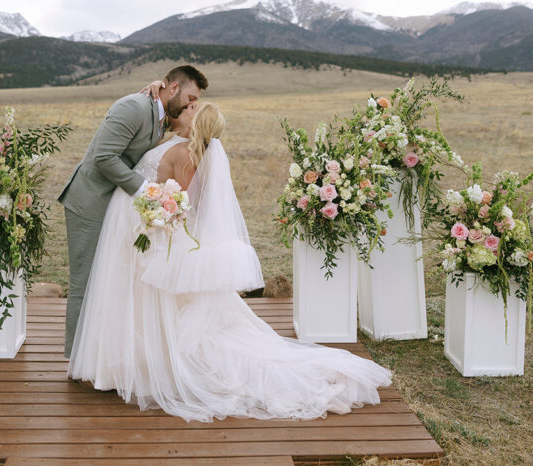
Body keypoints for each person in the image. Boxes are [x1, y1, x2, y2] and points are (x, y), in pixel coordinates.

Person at [68, 102, 392, 421]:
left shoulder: (186, 155)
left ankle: (144, 363)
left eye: (193, 108)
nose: (188, 106)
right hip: (148, 233)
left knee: (162, 308)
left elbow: (184, 203)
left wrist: (158, 214)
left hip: (158, 236)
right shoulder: (175, 142)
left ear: (196, 123)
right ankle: (129, 360)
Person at [57, 65, 208, 357]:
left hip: (116, 207)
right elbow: (103, 157)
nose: (191, 105)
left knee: (108, 280)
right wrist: (146, 191)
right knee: (84, 283)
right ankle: (75, 359)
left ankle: (99, 354)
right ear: (174, 88)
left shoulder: (162, 112)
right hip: (90, 202)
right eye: (190, 98)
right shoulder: (132, 107)